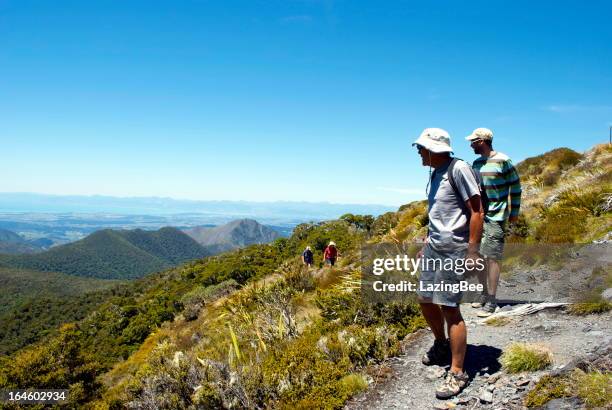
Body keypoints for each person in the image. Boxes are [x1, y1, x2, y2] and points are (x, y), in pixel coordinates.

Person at [413, 128, 484, 400]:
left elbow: (477, 211)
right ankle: (441, 344)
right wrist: (428, 243)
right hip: (435, 248)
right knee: (425, 298)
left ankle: (457, 372)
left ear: (434, 148)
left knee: (449, 307)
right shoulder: (435, 173)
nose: (418, 152)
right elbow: (439, 214)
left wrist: (472, 251)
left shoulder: (459, 169)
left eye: (421, 147)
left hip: (455, 250)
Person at [466, 128, 522, 317]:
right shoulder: (477, 162)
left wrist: (513, 214)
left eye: (473, 141)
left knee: (492, 258)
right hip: (479, 216)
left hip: (496, 217)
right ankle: (483, 294)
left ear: (482, 141)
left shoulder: (504, 161)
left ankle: (491, 300)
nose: (470, 144)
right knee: (479, 258)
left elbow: (516, 188)